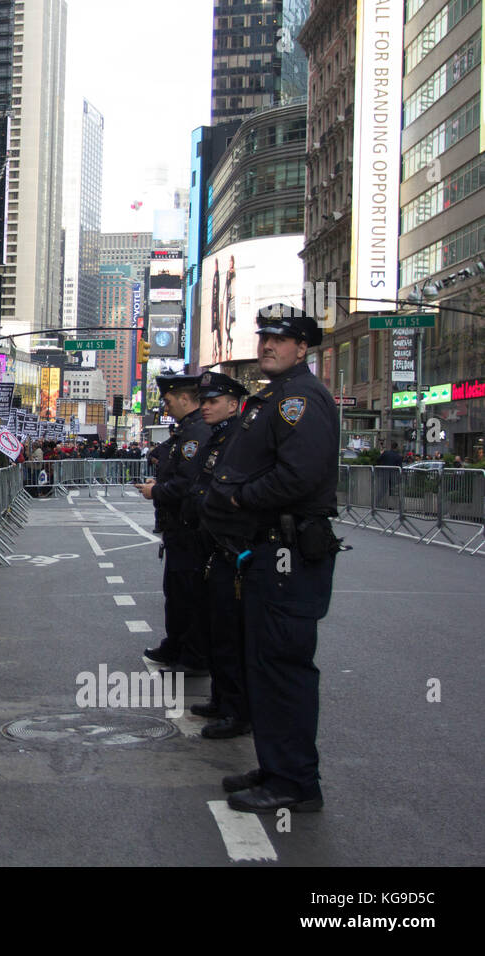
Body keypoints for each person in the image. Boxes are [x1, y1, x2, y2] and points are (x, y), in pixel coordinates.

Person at [203, 305, 340, 814]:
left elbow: (299, 477)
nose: (267, 346)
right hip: (267, 554)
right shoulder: (277, 398)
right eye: (263, 338)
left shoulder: (301, 399)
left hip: (287, 554)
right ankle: (278, 765)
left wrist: (240, 499)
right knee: (266, 663)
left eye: (280, 340)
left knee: (283, 665)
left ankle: (296, 782)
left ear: (302, 348)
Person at [184, 371, 251, 740]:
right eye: (203, 400)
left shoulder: (240, 438)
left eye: (212, 401)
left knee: (230, 632)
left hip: (228, 544)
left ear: (232, 403)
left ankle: (236, 709)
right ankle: (222, 698)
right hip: (209, 541)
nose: (204, 406)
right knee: (215, 627)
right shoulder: (218, 437)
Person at [135, 374, 211, 675]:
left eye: (168, 401)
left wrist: (157, 490)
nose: (166, 407)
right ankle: (176, 645)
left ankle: (192, 656)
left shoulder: (196, 433)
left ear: (184, 398)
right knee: (176, 591)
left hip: (189, 526)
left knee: (189, 594)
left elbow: (186, 482)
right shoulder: (188, 430)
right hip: (179, 525)